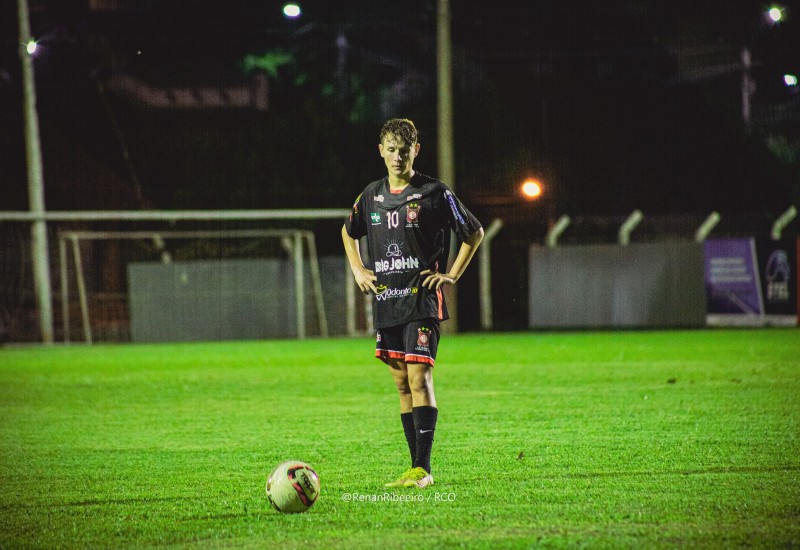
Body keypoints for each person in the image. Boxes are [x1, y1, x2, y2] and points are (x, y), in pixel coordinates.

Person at [342, 118, 484, 488]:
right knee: (402, 384)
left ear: (415, 151)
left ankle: (424, 469)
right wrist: (358, 268)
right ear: (380, 151)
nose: (397, 157)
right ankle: (413, 467)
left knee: (420, 377)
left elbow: (474, 231)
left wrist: (451, 274)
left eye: (404, 150)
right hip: (387, 302)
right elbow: (347, 229)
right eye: (390, 149)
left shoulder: (435, 192)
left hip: (422, 300)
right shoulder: (371, 195)